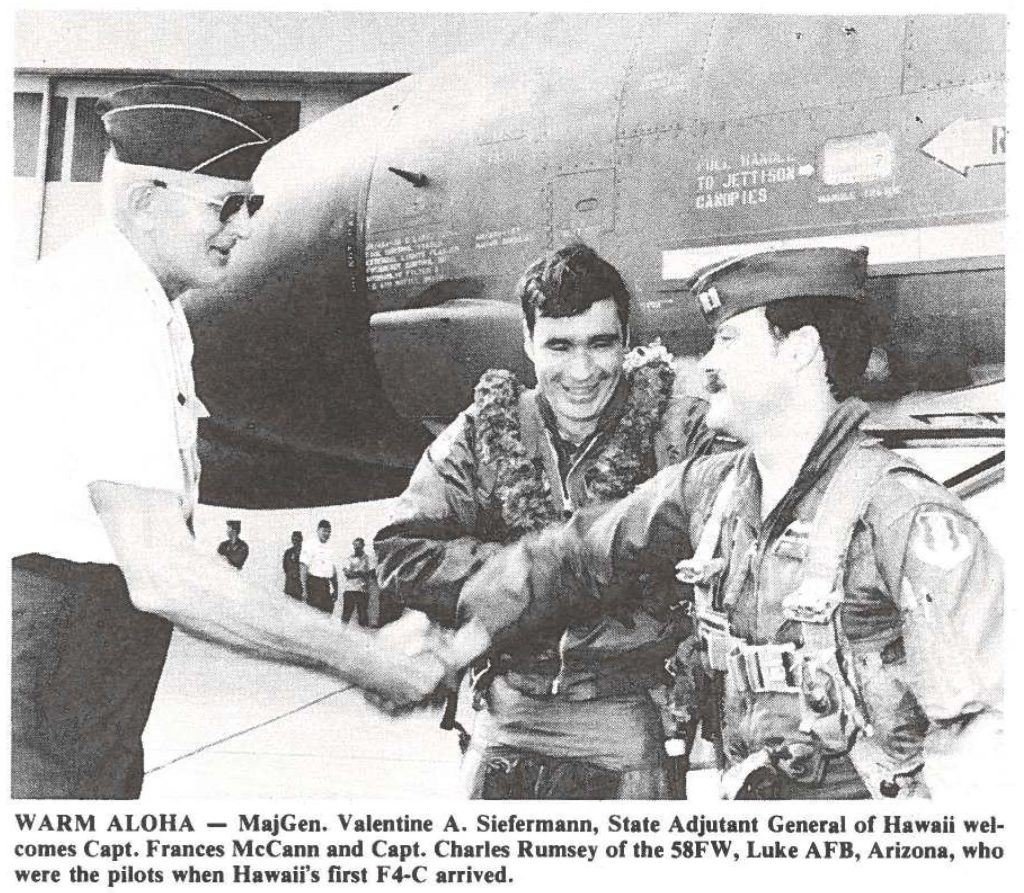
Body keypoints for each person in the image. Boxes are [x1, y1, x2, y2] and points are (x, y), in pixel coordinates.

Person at [10, 81, 449, 800]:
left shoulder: (149, 308)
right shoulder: (103, 314)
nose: (244, 228)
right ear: (145, 203)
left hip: (84, 688)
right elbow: (163, 572)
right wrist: (363, 654)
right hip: (46, 694)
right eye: (227, 205)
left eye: (253, 205)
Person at [446, 246, 1003, 800]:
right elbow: (578, 552)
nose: (708, 363)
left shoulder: (906, 518)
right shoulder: (709, 488)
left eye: (728, 340)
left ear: (800, 350)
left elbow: (987, 741)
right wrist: (460, 638)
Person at [375, 243, 716, 799]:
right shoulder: (483, 430)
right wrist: (526, 575)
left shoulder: (681, 431)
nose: (581, 371)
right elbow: (401, 551)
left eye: (600, 344)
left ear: (626, 342)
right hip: (509, 710)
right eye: (559, 346)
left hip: (628, 716)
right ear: (528, 343)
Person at [301, 519, 338, 614]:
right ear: (318, 530)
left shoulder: (330, 548)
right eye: (324, 531)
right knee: (315, 614)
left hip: (326, 585)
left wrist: (336, 589)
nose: (327, 534)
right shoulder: (310, 545)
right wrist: (304, 590)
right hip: (313, 584)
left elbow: (333, 571)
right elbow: (303, 567)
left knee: (328, 611)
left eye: (329, 531)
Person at [341, 538, 373, 626]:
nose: (356, 548)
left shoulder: (368, 559)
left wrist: (354, 573)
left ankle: (364, 637)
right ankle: (341, 635)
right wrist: (360, 573)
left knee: (363, 617)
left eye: (358, 546)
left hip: (362, 591)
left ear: (363, 546)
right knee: (346, 615)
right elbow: (347, 574)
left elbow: (369, 574)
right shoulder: (349, 558)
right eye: (354, 546)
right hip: (350, 590)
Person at [282, 531, 304, 600]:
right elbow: (285, 567)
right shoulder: (288, 552)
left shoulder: (305, 553)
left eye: (297, 540)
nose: (295, 542)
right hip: (289, 586)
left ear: (301, 540)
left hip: (299, 588)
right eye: (294, 540)